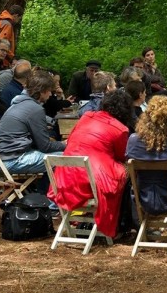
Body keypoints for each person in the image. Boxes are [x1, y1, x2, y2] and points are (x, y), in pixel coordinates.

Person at [50, 89, 134, 239]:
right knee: (128, 169)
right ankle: (121, 222)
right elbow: (123, 156)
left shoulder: (85, 117)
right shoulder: (120, 129)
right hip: (90, 180)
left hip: (64, 178)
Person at [0, 69, 66, 176]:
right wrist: (65, 144)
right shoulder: (35, 109)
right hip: (12, 161)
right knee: (67, 159)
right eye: (49, 90)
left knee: (58, 156)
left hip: (3, 158)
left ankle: (44, 189)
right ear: (41, 91)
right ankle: (48, 191)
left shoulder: (19, 102)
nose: (50, 94)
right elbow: (45, 146)